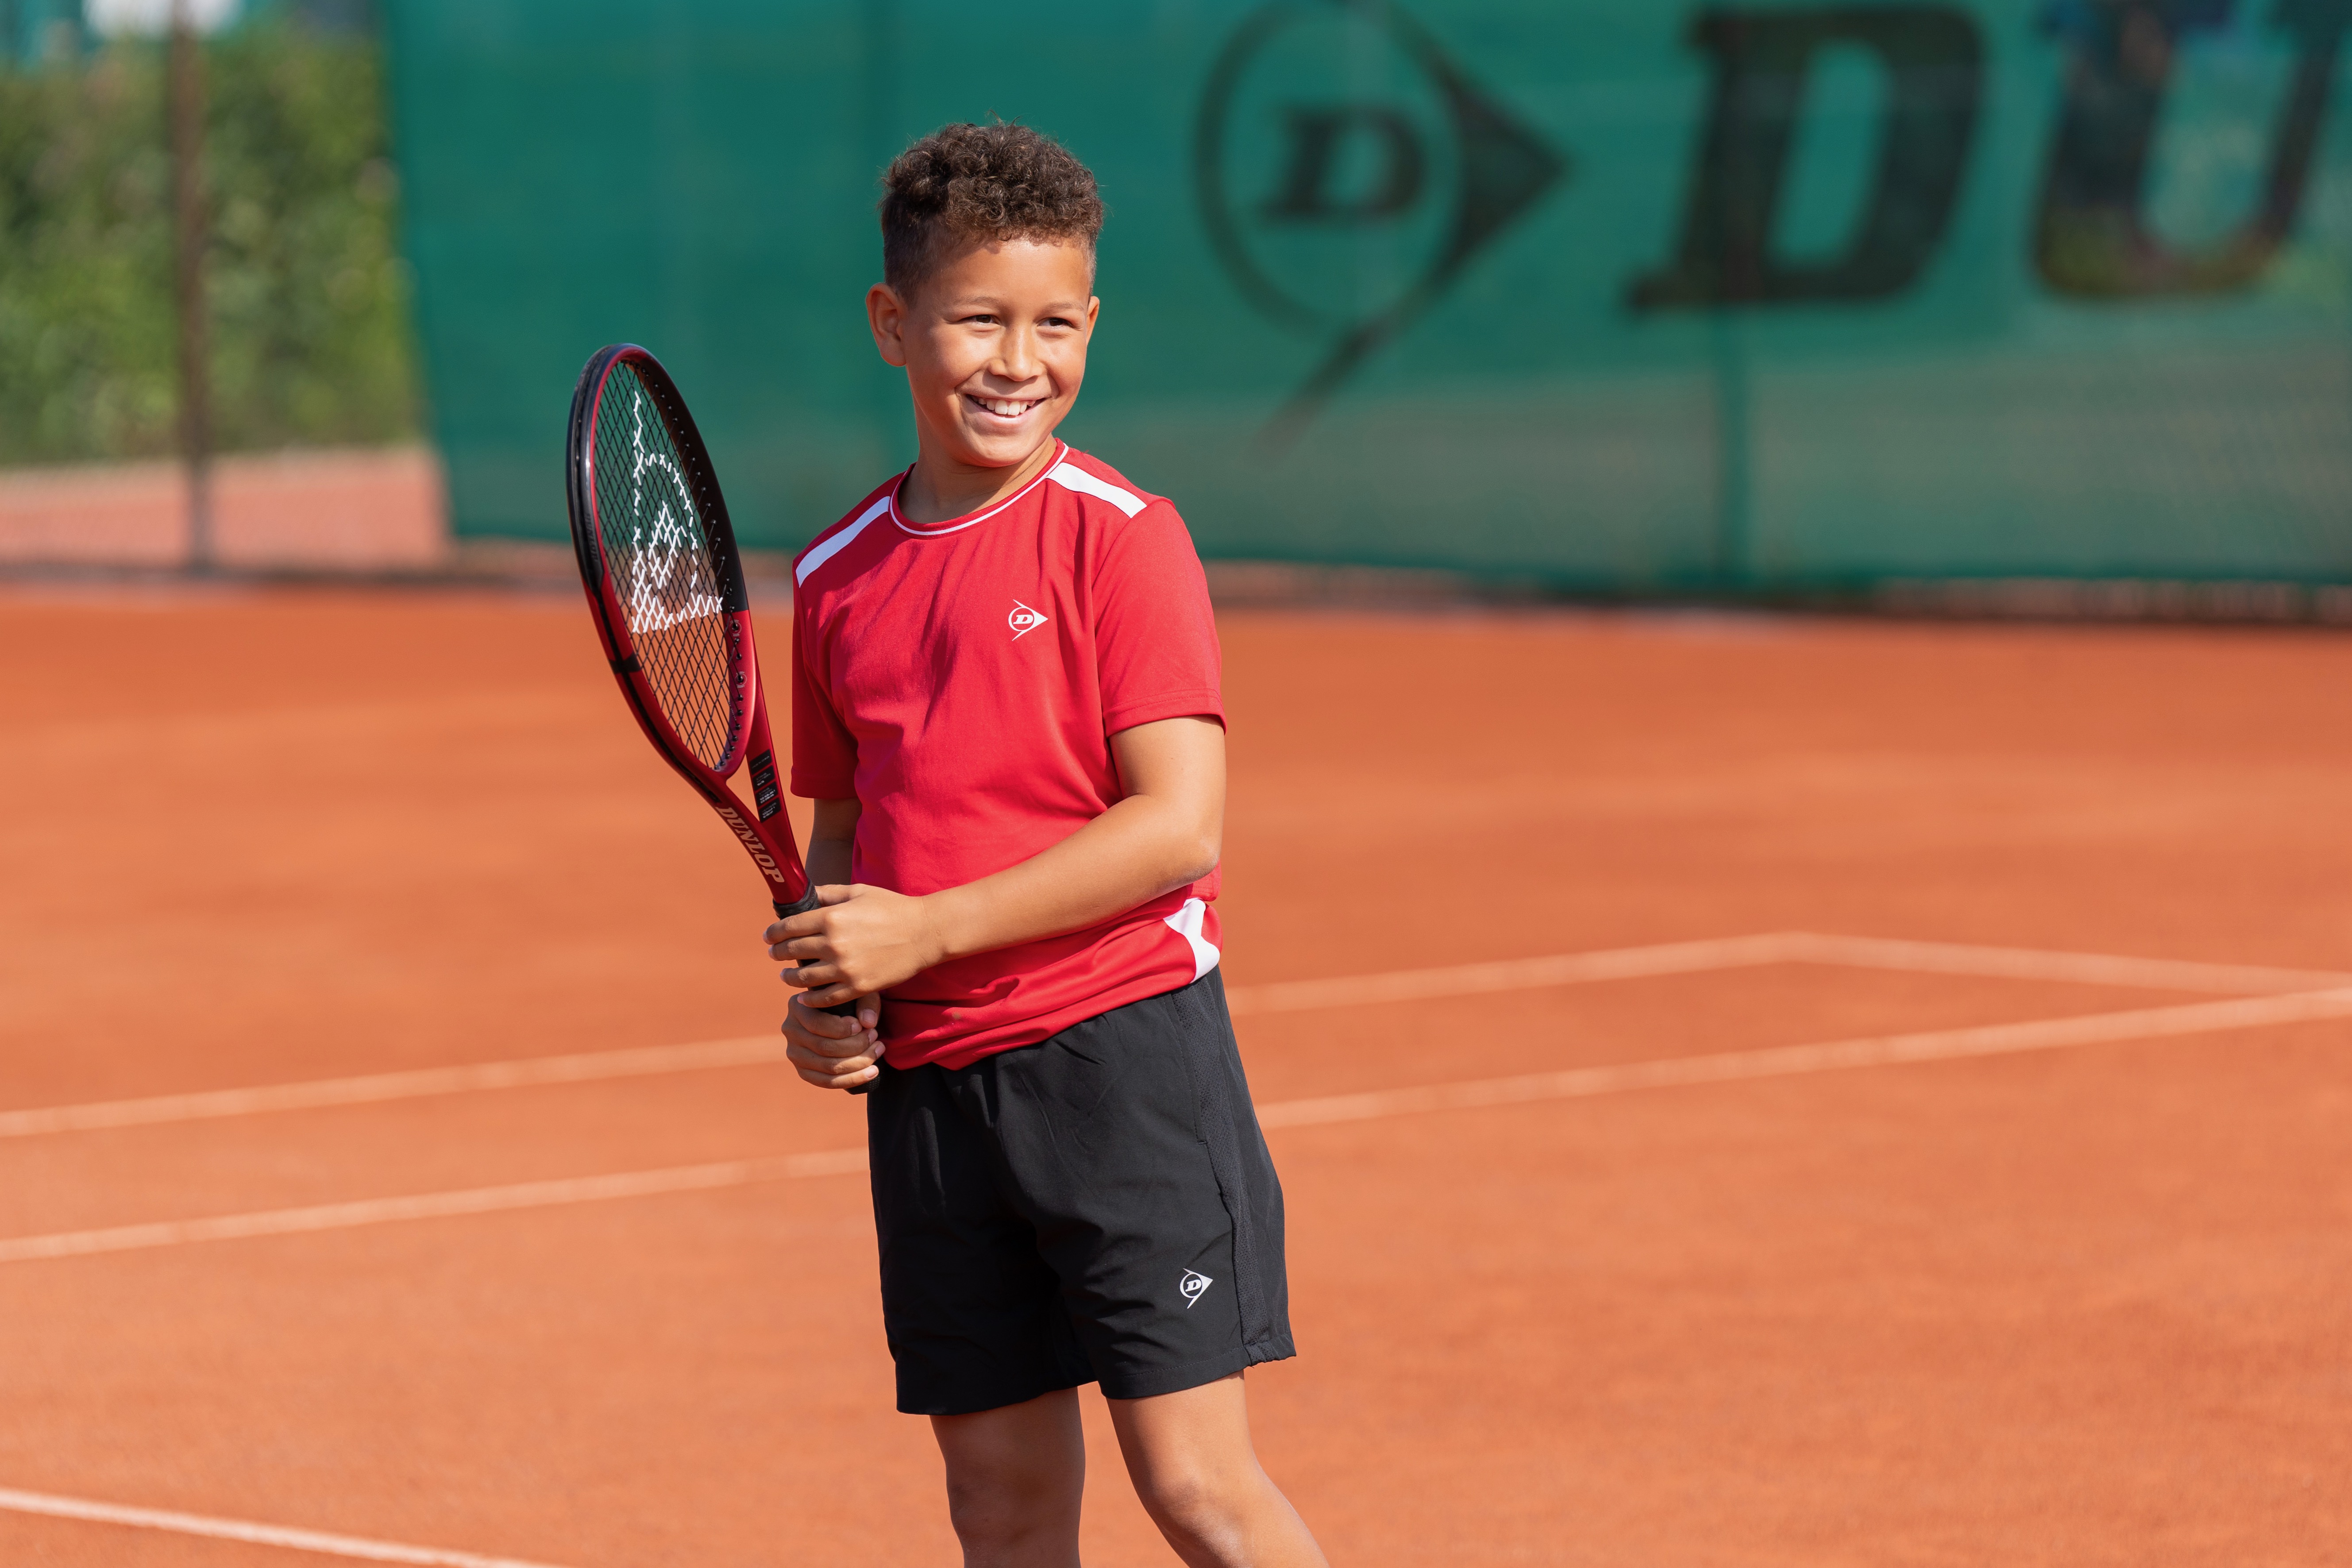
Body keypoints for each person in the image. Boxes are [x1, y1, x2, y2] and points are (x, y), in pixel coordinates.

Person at [763, 122, 1329, 1568]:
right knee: (998, 1508)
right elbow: (849, 833)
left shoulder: (1122, 538)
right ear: (894, 324)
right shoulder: (834, 578)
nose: (1018, 360)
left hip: (1121, 1062)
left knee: (1197, 1488)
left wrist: (925, 931)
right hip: (936, 1097)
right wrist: (833, 990)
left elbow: (1174, 828)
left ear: (1092, 324)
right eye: (977, 320)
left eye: (1055, 323)